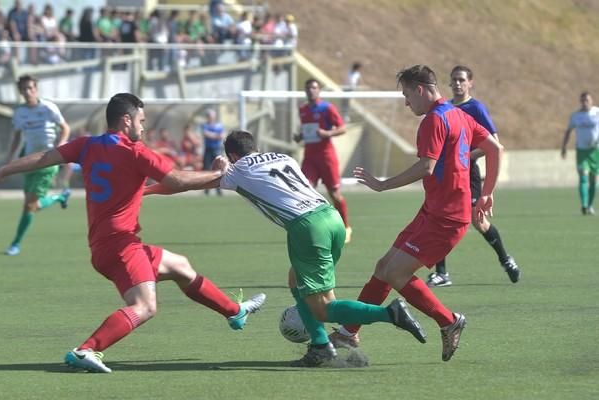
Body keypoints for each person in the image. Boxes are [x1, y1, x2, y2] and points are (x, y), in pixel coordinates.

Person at [0, 93, 266, 374]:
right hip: (120, 246)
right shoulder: (134, 152)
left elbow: (44, 157)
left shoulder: (86, 145)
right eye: (141, 121)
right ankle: (86, 349)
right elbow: (178, 180)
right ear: (126, 120)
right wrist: (221, 175)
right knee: (145, 306)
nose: (143, 128)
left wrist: (3, 171)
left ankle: (234, 311)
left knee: (180, 266)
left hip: (105, 245)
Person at [146, 130, 427, 367]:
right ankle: (320, 347)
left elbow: (184, 182)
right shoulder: (283, 157)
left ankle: (389, 314)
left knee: (322, 308)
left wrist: (149, 189)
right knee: (296, 280)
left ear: (232, 155)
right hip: (332, 219)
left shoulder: (238, 169)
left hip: (307, 228)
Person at [330, 65, 504, 362]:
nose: (406, 102)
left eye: (407, 95)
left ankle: (449, 321)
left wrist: (383, 185)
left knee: (396, 272)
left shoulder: (433, 121)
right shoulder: (459, 115)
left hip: (447, 218)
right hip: (434, 210)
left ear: (420, 89)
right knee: (384, 266)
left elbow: (427, 166)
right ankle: (348, 331)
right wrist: (486, 192)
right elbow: (495, 149)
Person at [426, 65, 520, 288]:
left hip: (468, 174)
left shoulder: (476, 108)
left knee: (479, 221)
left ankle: (505, 259)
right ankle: (442, 274)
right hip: (447, 175)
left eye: (461, 80)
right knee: (439, 217)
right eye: (454, 80)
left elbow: (494, 144)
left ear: (470, 83)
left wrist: (464, 155)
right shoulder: (445, 108)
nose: (457, 84)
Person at [2, 75, 71, 256]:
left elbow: (65, 128)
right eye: (24, 89)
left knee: (29, 206)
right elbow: (17, 136)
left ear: (36, 89)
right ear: (20, 92)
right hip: (29, 160)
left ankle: (15, 243)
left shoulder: (48, 107)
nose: (28, 92)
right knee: (31, 204)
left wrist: (59, 147)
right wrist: (10, 157)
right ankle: (60, 197)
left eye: (31, 88)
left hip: (48, 160)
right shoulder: (20, 112)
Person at [293, 78, 352, 243]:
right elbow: (307, 132)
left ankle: (346, 227)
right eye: (308, 88)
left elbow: (342, 128)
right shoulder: (303, 109)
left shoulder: (327, 108)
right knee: (305, 191)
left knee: (335, 194)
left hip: (326, 156)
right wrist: (299, 137)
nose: (311, 90)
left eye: (314, 87)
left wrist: (328, 134)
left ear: (319, 90)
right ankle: (312, 230)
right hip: (309, 157)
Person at [561, 91, 599, 216]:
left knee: (594, 179)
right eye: (583, 100)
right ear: (580, 102)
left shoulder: (597, 113)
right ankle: (584, 205)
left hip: (595, 151)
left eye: (587, 100)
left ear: (592, 101)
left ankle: (589, 205)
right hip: (582, 150)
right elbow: (568, 131)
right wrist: (564, 147)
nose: (585, 102)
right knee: (583, 176)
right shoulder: (576, 116)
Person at [202, 109, 224, 195]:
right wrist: (216, 135)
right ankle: (207, 189)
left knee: (218, 170)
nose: (209, 117)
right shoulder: (205, 125)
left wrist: (212, 135)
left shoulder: (219, 125)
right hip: (208, 149)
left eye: (211, 116)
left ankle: (218, 189)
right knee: (207, 169)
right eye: (208, 116)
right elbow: (205, 134)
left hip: (216, 149)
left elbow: (221, 135)